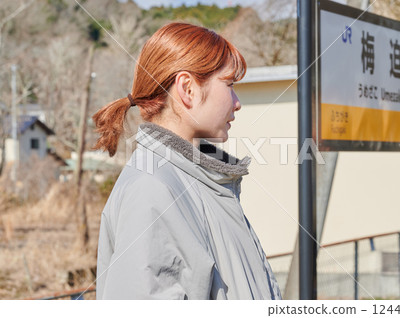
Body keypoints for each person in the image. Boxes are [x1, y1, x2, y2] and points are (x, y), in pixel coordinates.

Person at [93, 22, 281, 300]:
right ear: (187, 89)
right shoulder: (152, 191)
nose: (237, 102)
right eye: (229, 85)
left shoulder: (197, 180)